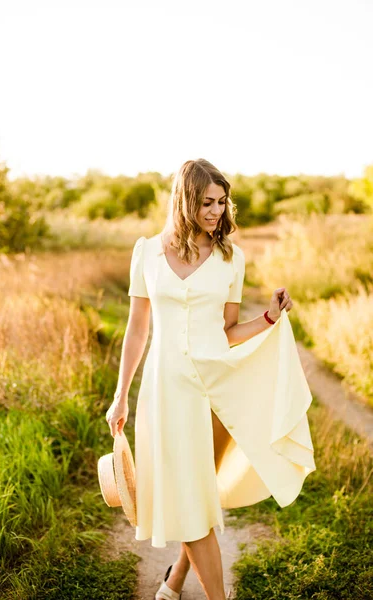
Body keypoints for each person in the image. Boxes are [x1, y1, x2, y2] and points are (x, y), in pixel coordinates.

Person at [106, 158, 315, 600]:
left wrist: (269, 318)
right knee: (186, 495)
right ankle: (176, 579)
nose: (217, 211)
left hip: (214, 391)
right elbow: (137, 328)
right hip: (163, 393)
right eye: (207, 202)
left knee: (193, 498)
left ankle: (202, 590)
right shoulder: (146, 252)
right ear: (185, 200)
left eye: (222, 202)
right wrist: (121, 395)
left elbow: (228, 331)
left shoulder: (229, 258)